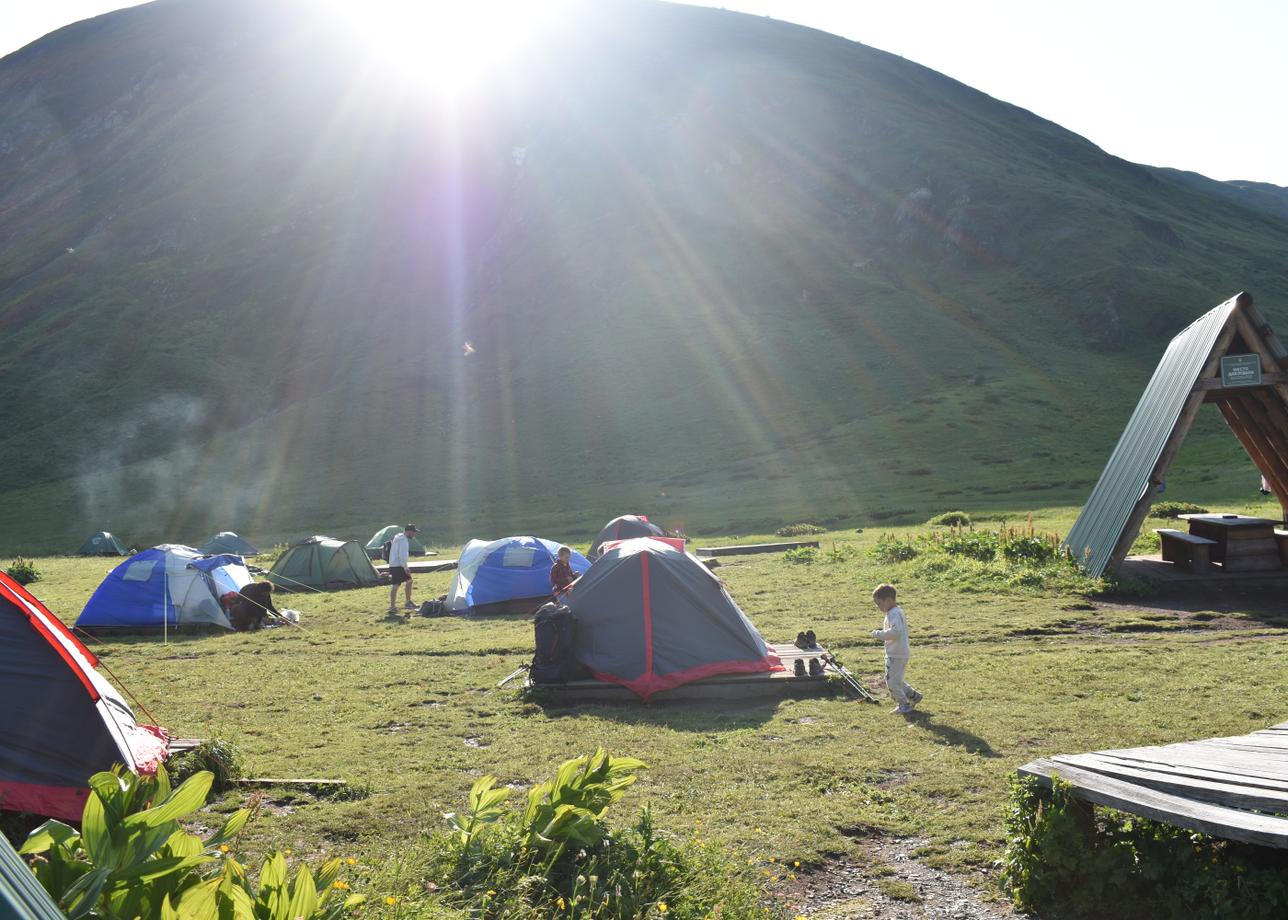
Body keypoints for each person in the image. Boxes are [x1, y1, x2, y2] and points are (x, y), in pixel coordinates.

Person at [870, 583, 922, 714]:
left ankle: (904, 704)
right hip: (896, 652)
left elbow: (896, 632)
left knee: (892, 682)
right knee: (895, 680)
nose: (879, 607)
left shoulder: (894, 613)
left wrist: (879, 634)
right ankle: (914, 696)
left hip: (897, 654)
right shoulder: (894, 612)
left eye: (879, 604)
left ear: (888, 600)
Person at [387, 524, 419, 614]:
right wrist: (405, 567)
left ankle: (407, 602)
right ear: (408, 531)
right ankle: (393, 606)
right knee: (396, 585)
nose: (414, 535)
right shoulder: (403, 540)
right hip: (398, 565)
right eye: (413, 532)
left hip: (394, 564)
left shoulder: (398, 537)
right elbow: (402, 555)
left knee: (409, 581)